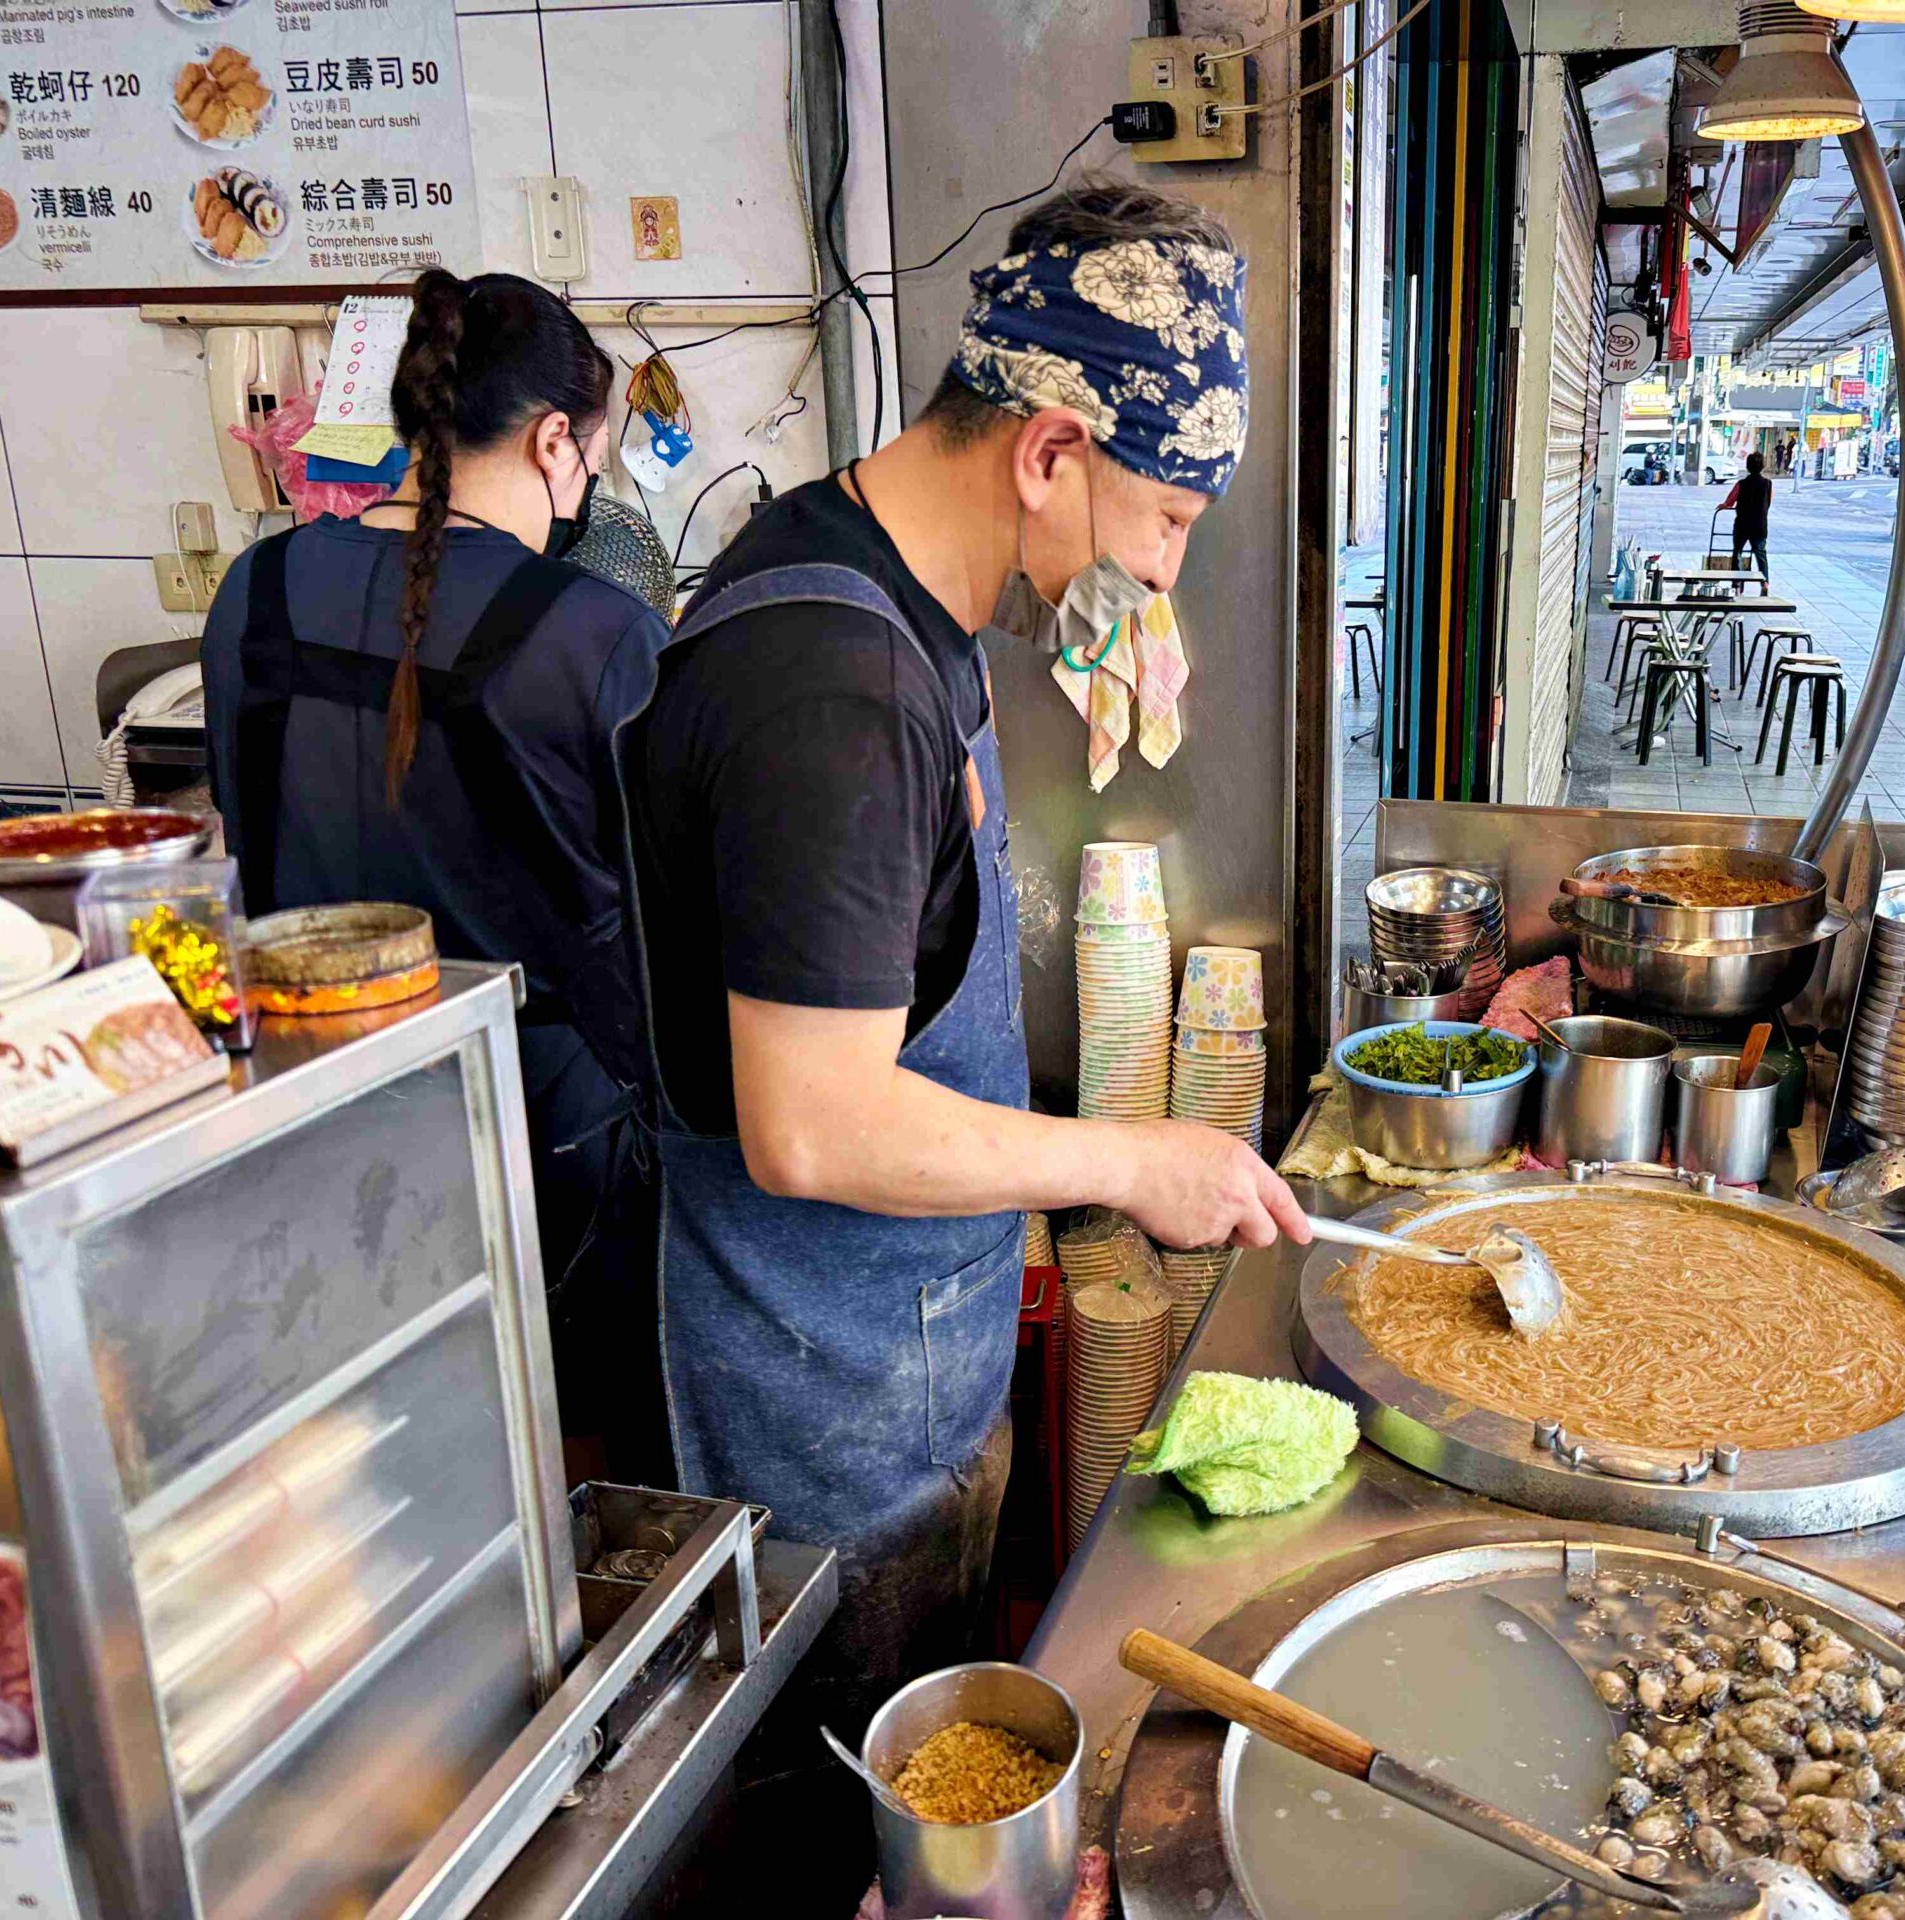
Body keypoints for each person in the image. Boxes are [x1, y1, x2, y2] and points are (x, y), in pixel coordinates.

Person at [623, 181, 1311, 1728]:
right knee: (850, 1800)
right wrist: (1123, 1161)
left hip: (907, 1346)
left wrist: (1087, 612)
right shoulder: (832, 694)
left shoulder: (901, 596)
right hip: (825, 1396)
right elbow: (818, 1125)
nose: (1169, 573)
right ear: (1052, 452)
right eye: (1168, 522)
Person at [201, 268, 674, 1483]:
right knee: (581, 1472)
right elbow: (662, 903)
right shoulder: (594, 632)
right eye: (590, 460)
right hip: (548, 1136)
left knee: (392, 1461)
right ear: (555, 440)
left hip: (320, 1108)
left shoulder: (250, 592)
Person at [1721, 452, 1773, 581]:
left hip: (1742, 524)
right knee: (1760, 553)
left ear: (1747, 466)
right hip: (1760, 525)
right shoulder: (1768, 484)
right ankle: (1765, 582)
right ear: (1762, 466)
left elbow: (1730, 501)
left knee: (1737, 551)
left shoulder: (1741, 484)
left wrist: (1723, 505)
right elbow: (1769, 502)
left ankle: (1737, 583)